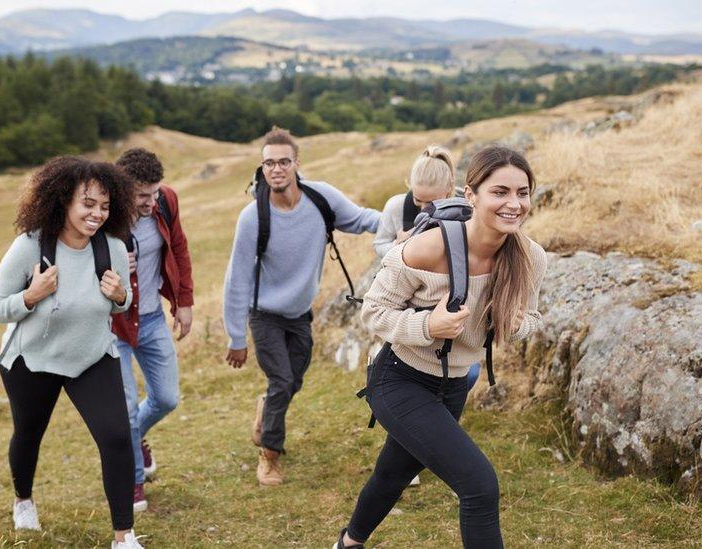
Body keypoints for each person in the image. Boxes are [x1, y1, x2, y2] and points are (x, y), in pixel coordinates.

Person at [334, 146, 548, 549]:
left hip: (453, 387)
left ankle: (348, 542)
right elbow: (374, 312)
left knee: (393, 474)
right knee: (479, 486)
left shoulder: (530, 257)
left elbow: (532, 318)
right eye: (499, 192)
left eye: (523, 193)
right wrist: (428, 324)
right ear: (471, 195)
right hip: (398, 377)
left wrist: (515, 324)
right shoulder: (429, 248)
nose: (514, 203)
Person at [0, 156, 143, 549]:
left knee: (116, 437)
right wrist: (31, 295)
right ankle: (23, 500)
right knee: (28, 433)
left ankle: (123, 536)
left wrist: (121, 295)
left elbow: (120, 304)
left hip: (92, 357)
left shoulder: (111, 247)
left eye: (105, 206)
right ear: (63, 201)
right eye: (88, 204)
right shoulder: (30, 246)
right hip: (32, 361)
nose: (97, 214)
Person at [223, 127, 381, 486]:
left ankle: (266, 411)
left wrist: (404, 223)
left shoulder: (320, 198)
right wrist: (236, 337)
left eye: (283, 161)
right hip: (263, 315)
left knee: (292, 381)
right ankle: (269, 455)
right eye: (268, 163)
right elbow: (237, 281)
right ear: (261, 169)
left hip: (299, 315)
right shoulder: (253, 217)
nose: (276, 169)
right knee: (281, 380)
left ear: (296, 163)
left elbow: (361, 219)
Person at [110, 148, 194, 513]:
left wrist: (184, 301)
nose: (151, 201)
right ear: (123, 190)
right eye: (143, 195)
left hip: (152, 318)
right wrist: (112, 262)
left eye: (155, 192)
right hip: (111, 326)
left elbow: (178, 246)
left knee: (167, 398)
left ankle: (136, 438)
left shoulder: (165, 202)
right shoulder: (104, 217)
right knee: (125, 410)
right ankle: (132, 481)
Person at [373, 145, 480, 421]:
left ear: (449, 191)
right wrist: (400, 248)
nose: (423, 208)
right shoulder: (397, 206)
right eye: (418, 200)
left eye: (431, 202)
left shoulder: (468, 209)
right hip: (404, 302)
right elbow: (379, 244)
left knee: (470, 372)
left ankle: (434, 415)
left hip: (452, 303)